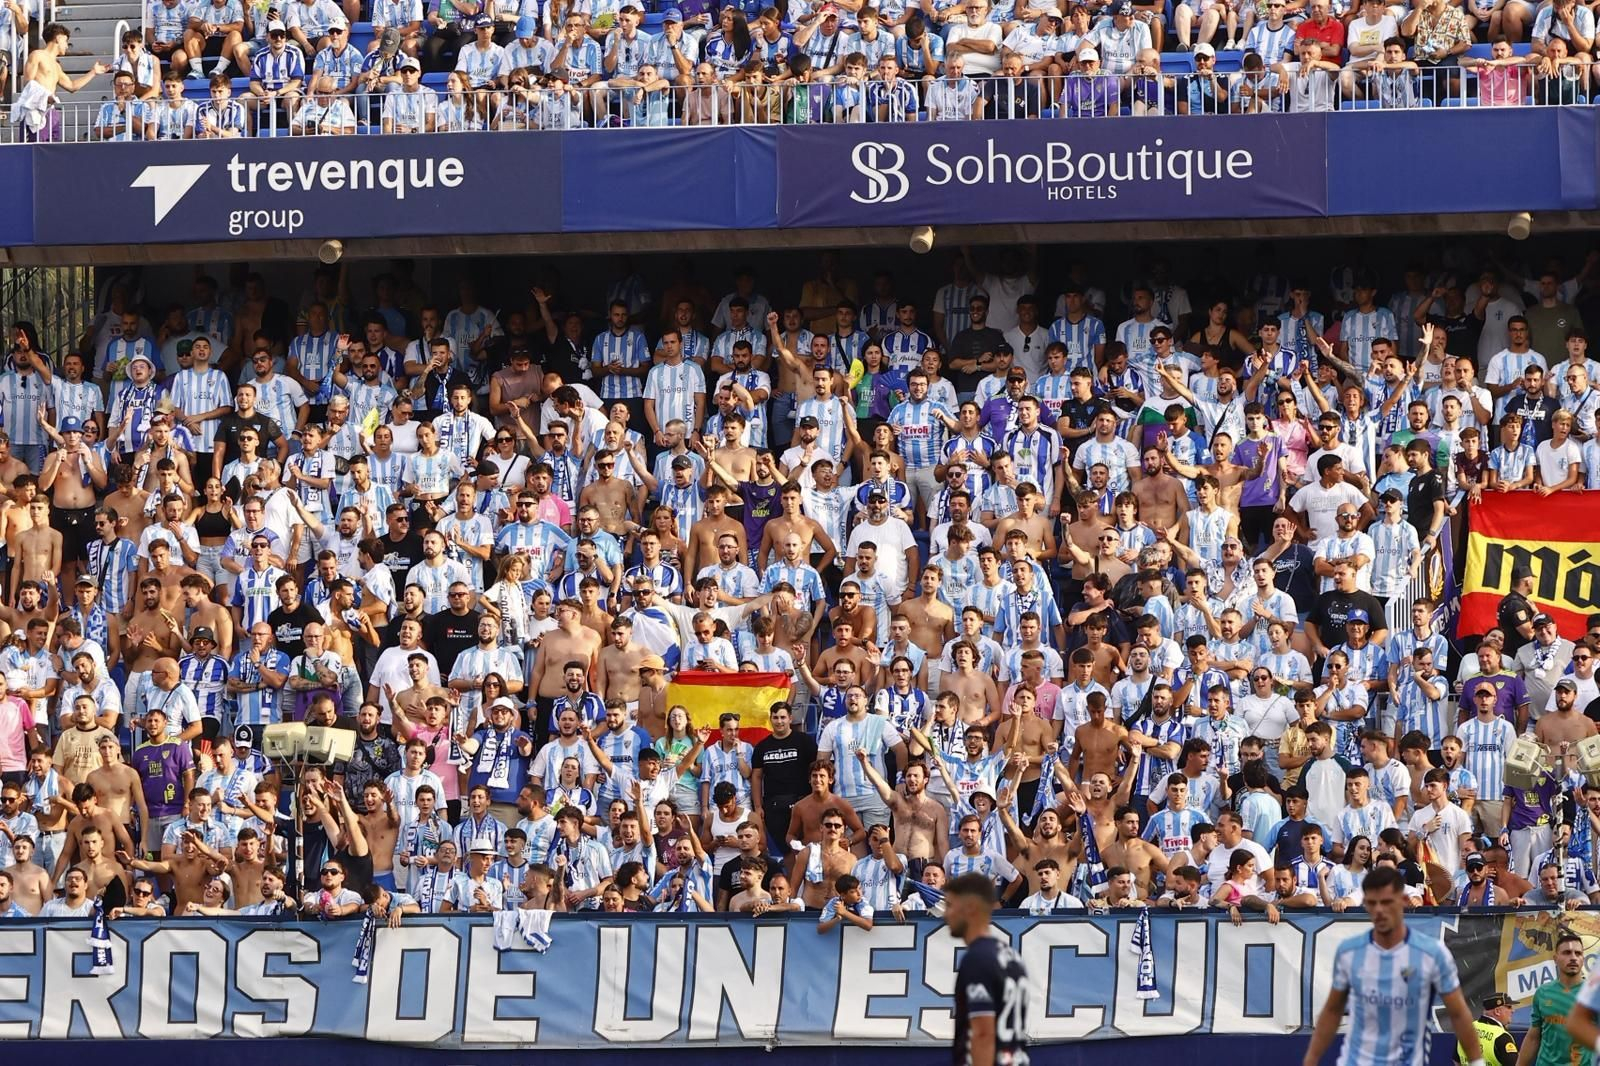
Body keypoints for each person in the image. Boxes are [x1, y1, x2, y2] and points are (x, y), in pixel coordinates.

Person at [1302, 866, 1482, 1066]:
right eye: (1372, 903)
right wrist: (1311, 1060)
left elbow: (1458, 1013)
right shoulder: (1349, 952)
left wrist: (1477, 1063)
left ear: (1403, 901)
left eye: (1386, 902)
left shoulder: (1432, 953)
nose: (1379, 910)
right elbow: (1332, 1011)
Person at [945, 872, 1030, 1066]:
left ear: (970, 908)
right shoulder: (1012, 956)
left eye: (950, 905)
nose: (945, 914)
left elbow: (983, 1033)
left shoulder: (977, 959)